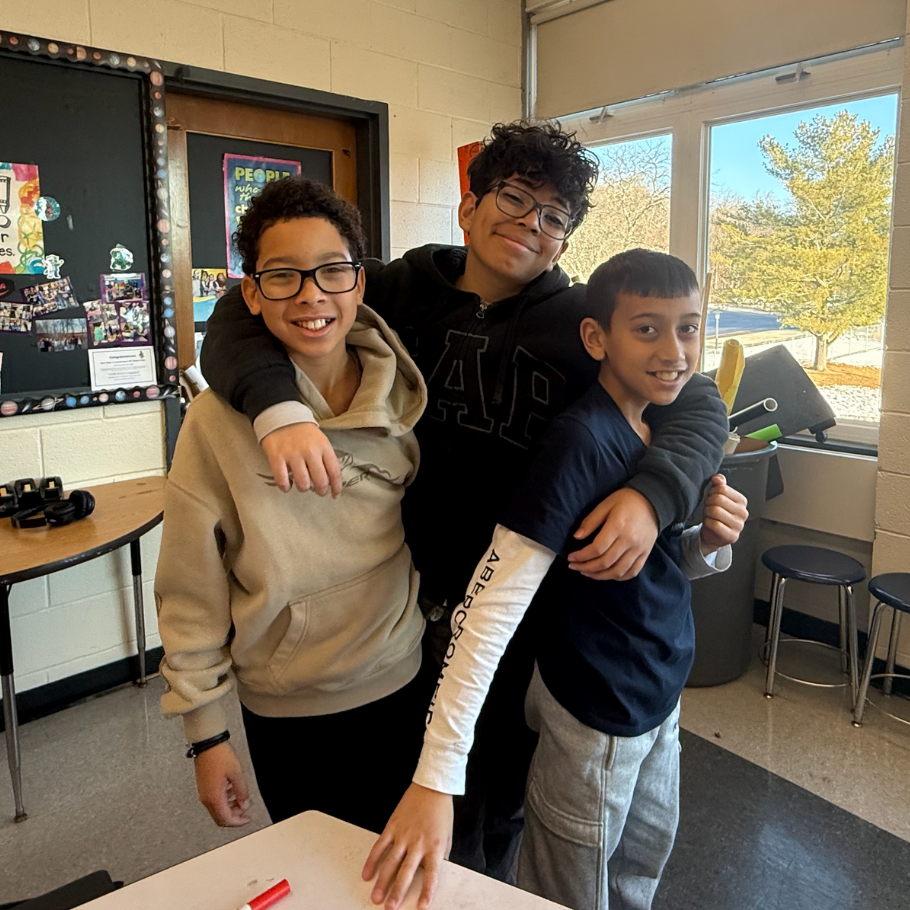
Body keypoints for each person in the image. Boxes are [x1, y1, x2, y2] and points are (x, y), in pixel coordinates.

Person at [200, 122, 729, 880]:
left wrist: (656, 495)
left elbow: (696, 397)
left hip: (515, 617)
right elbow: (238, 313)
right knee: (404, 807)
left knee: (498, 806)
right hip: (399, 610)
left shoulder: (579, 322)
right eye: (513, 198)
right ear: (469, 206)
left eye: (554, 216)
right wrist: (277, 408)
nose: (530, 223)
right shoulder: (392, 290)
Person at [367, 250, 749, 910]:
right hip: (594, 705)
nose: (674, 351)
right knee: (569, 891)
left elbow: (632, 569)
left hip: (658, 700)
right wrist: (437, 774)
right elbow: (489, 607)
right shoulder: (579, 441)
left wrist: (707, 545)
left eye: (688, 328)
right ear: (596, 338)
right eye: (647, 329)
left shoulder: (656, 426)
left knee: (636, 872)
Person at [154, 177, 432, 833]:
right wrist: (206, 734)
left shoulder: (409, 397)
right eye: (283, 276)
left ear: (359, 283)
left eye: (332, 271)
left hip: (404, 681)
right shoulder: (215, 423)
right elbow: (190, 587)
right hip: (288, 709)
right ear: (251, 294)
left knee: (410, 872)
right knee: (317, 873)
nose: (311, 294)